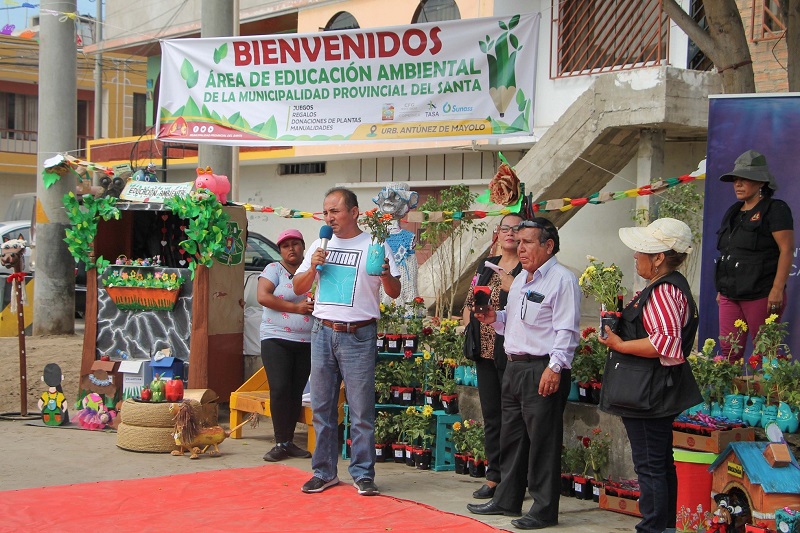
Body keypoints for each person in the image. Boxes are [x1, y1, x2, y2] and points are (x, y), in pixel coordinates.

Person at [467, 218, 581, 530]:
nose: (521, 248)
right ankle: (506, 498)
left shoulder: (562, 280)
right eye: (519, 242)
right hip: (514, 366)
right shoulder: (520, 280)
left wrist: (555, 368)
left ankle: (544, 509)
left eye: (528, 242)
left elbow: (566, 330)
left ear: (548, 246)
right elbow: (514, 322)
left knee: (543, 441)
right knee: (512, 437)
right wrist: (494, 317)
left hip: (541, 368)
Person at [292, 187, 401, 496]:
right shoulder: (319, 244)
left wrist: (386, 274)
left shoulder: (375, 245)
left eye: (336, 211)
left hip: (358, 334)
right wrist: (312, 265)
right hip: (322, 332)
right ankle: (324, 472)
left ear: (354, 212)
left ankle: (363, 474)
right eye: (326, 212)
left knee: (361, 409)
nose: (330, 217)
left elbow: (393, 291)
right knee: (322, 407)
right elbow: (299, 287)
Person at [598, 217, 703, 533]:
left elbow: (665, 343)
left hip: (649, 390)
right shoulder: (667, 287)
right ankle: (664, 526)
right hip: (654, 388)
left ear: (659, 258)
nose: (635, 256)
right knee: (659, 462)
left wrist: (620, 344)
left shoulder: (664, 291)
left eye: (642, 251)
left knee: (650, 465)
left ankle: (654, 527)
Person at [461, 213, 523, 500]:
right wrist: (466, 324)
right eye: (505, 228)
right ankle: (494, 477)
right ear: (497, 233)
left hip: (512, 352)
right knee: (492, 417)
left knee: (515, 419)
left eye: (517, 229)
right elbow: (472, 298)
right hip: (484, 351)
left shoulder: (528, 268)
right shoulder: (488, 265)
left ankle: (516, 480)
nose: (510, 233)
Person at [715, 150, 794, 360]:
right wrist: (722, 289)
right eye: (735, 179)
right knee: (728, 351)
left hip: (761, 292)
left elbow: (786, 249)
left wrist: (777, 289)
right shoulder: (733, 211)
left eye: (745, 179)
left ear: (761, 183)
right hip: (730, 294)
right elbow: (727, 252)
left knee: (765, 351)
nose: (738, 184)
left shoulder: (775, 209)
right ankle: (730, 393)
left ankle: (769, 394)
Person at [258, 229, 314, 462]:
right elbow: (263, 296)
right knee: (280, 388)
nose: (291, 248)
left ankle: (288, 442)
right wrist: (296, 308)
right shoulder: (274, 270)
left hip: (307, 340)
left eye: (295, 244)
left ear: (303, 247)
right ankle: (280, 442)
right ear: (280, 250)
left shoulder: (313, 270)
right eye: (285, 245)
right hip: (275, 338)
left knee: (295, 391)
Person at [372, 183, 420, 305]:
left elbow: (410, 277)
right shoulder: (376, 237)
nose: (389, 201)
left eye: (396, 198)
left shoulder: (408, 238)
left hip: (402, 285)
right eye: (387, 198)